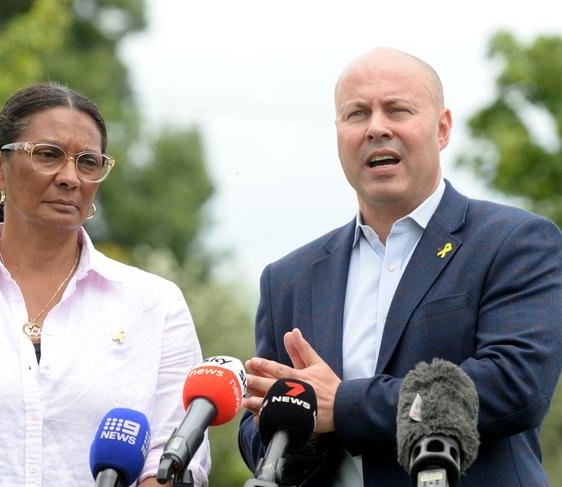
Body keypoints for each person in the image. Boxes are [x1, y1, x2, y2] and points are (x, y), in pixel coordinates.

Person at [238, 47, 562, 486]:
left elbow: (514, 386)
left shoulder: (516, 242)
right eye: (356, 114)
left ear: (442, 128)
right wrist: (294, 422)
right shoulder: (288, 279)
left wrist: (345, 405)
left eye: (397, 110)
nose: (376, 128)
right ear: (338, 136)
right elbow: (262, 438)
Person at [0, 82, 210, 486]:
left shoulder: (154, 306)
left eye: (88, 162)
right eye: (48, 155)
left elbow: (173, 462)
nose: (70, 177)